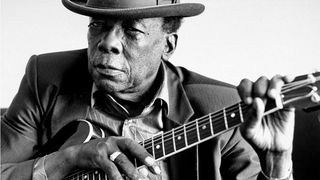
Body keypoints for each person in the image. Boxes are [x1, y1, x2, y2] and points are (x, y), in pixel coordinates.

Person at [1, 0, 295, 179]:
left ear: (168, 45)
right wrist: (70, 158)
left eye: (132, 30)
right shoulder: (46, 78)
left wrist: (278, 162)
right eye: (98, 25)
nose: (108, 42)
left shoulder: (221, 107)